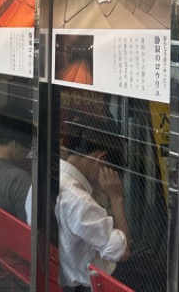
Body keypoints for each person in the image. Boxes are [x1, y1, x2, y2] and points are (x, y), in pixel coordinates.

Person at [56, 120, 131, 292]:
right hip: (86, 284)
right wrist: (116, 198)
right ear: (102, 160)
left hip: (55, 273)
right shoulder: (78, 200)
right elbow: (123, 252)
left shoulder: (49, 174)